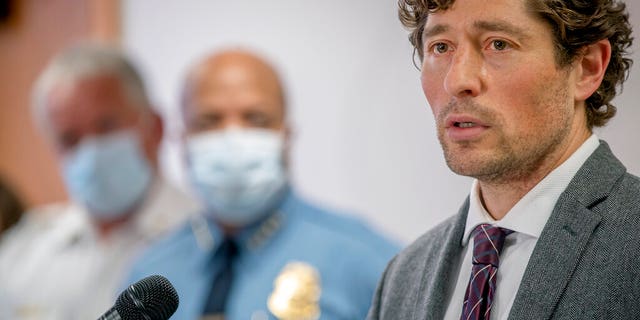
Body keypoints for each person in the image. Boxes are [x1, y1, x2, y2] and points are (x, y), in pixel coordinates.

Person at [368, 0, 637, 319]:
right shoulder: (402, 278)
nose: (457, 81)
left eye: (498, 44)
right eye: (441, 47)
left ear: (587, 67)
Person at [126, 49, 399, 320]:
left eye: (256, 119)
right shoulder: (149, 280)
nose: (232, 139)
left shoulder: (368, 264)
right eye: (209, 121)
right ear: (182, 139)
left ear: (287, 136)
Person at [0, 44, 199, 320]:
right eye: (70, 139)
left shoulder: (208, 237)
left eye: (106, 126)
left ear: (155, 126)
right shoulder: (22, 256)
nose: (90, 152)